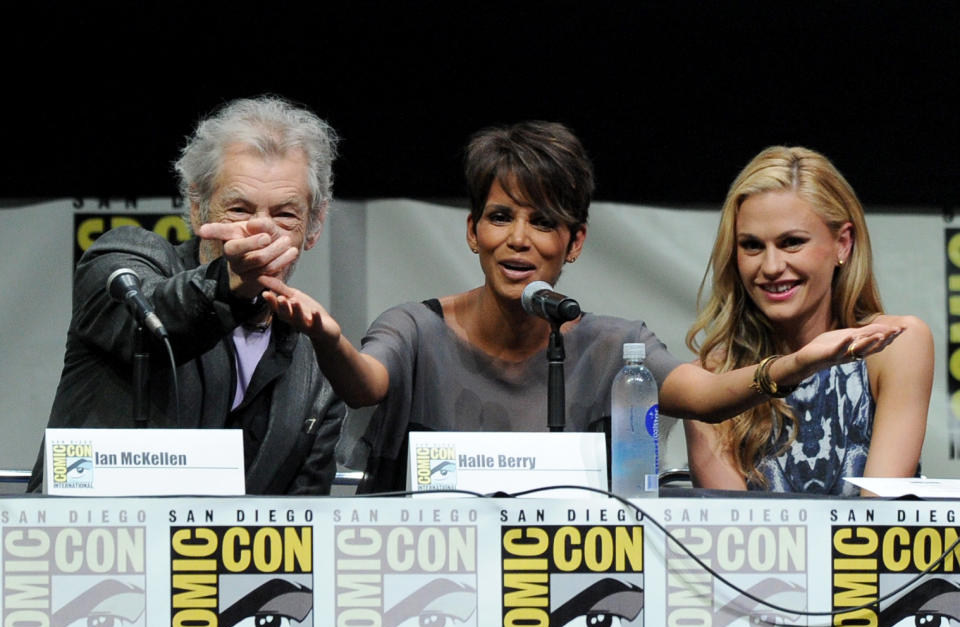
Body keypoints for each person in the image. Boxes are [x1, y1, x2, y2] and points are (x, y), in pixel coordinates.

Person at [260, 122, 904, 493]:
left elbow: (706, 397)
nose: (518, 239)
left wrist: (788, 368)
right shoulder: (413, 326)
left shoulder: (613, 346)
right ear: (472, 231)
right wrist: (328, 340)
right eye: (500, 216)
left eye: (543, 222)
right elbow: (366, 384)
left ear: (575, 243)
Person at [27, 96, 345, 495]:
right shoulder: (125, 261)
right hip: (89, 547)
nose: (260, 231)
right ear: (198, 209)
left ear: (313, 228)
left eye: (284, 213)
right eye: (240, 209)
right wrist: (229, 284)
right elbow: (151, 317)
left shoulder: (317, 365)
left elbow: (305, 521)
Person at [683, 146, 933, 495]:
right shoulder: (708, 383)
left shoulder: (896, 344)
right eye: (752, 246)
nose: (770, 267)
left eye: (791, 242)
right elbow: (732, 537)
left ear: (842, 244)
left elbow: (877, 520)